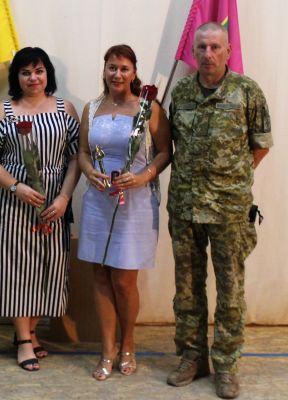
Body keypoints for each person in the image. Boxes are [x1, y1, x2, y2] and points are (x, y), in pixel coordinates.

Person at [166, 22, 272, 399]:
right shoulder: (181, 92)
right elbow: (171, 142)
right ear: (194, 51)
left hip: (229, 209)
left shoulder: (247, 91)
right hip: (185, 205)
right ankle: (192, 357)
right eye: (202, 47)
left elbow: (261, 144)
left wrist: (233, 179)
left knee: (230, 289)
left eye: (215, 47)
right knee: (187, 288)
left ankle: (226, 364)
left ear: (228, 50)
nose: (208, 54)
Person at [0, 47, 81, 372]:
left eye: (38, 71)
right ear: (16, 77)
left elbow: (76, 157)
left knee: (47, 267)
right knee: (16, 268)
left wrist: (64, 198)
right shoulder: (3, 110)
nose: (33, 78)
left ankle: (32, 332)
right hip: (13, 204)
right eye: (25, 72)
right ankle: (23, 339)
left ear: (48, 73)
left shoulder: (65, 109)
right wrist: (15, 186)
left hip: (53, 203)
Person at [77, 44, 171, 381]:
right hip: (98, 201)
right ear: (104, 70)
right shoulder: (91, 108)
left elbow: (165, 151)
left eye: (124, 68)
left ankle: (128, 345)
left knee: (124, 279)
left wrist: (144, 176)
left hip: (136, 203)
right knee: (100, 275)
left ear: (134, 72)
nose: (117, 74)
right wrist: (89, 172)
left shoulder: (149, 108)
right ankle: (107, 349)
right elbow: (83, 152)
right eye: (112, 68)